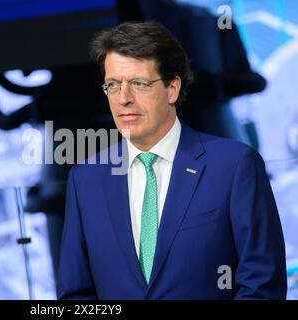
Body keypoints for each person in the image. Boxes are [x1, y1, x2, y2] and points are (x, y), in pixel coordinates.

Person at [56, 21, 287, 299]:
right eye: (113, 85)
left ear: (172, 89)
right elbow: (75, 294)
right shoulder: (86, 179)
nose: (123, 99)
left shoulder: (234, 165)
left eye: (138, 84)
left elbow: (262, 285)